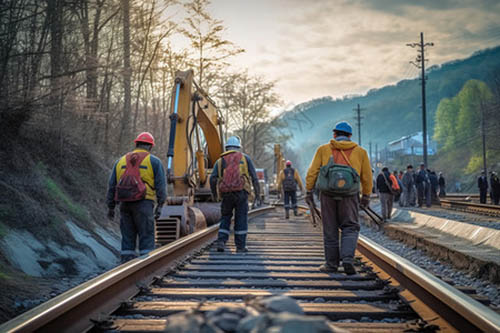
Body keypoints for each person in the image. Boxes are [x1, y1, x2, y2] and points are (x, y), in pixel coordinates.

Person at [305, 121, 372, 275]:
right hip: (350, 195)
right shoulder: (360, 152)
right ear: (350, 136)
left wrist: (309, 190)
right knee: (350, 226)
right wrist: (366, 195)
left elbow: (313, 172)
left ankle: (331, 264)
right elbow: (367, 176)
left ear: (334, 135)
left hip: (327, 195)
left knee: (330, 229)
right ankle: (348, 259)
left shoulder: (323, 149)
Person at [106, 132, 166, 263]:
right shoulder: (154, 161)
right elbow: (161, 186)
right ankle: (147, 266)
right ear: (150, 146)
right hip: (144, 204)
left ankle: (126, 267)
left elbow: (111, 186)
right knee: (146, 236)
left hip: (124, 204)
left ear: (136, 144)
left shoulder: (120, 161)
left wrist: (111, 207)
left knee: (127, 237)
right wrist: (161, 205)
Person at [210, 136, 259, 253]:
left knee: (225, 217)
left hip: (226, 194)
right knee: (241, 218)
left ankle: (221, 241)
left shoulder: (220, 160)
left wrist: (214, 194)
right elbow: (254, 178)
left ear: (226, 147)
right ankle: (240, 246)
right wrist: (257, 194)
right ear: (239, 147)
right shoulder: (245, 159)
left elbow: (212, 178)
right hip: (241, 193)